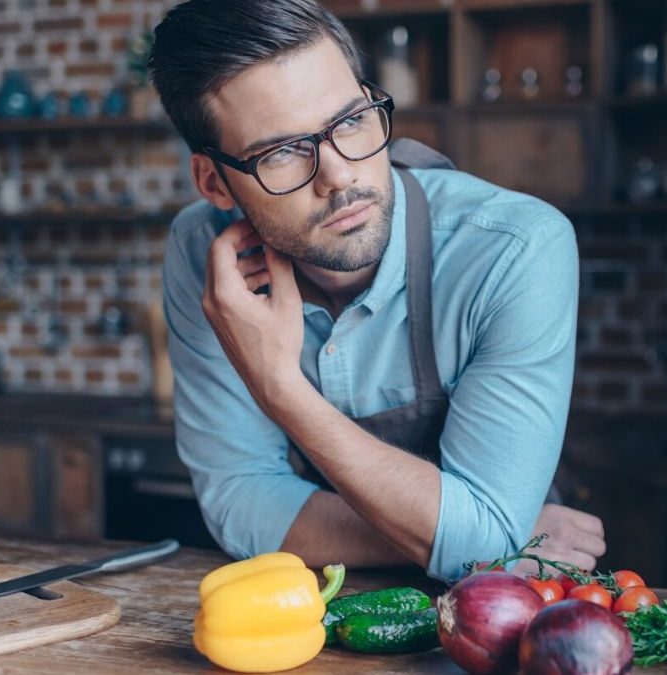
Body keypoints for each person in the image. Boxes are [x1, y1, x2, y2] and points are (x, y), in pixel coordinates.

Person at [148, 0, 605, 582]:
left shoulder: (515, 248)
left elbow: (486, 543)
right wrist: (484, 533)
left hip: (511, 612)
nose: (339, 175)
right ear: (215, 182)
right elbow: (239, 503)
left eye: (351, 122)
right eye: (282, 152)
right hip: (315, 618)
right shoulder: (202, 255)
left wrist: (280, 389)